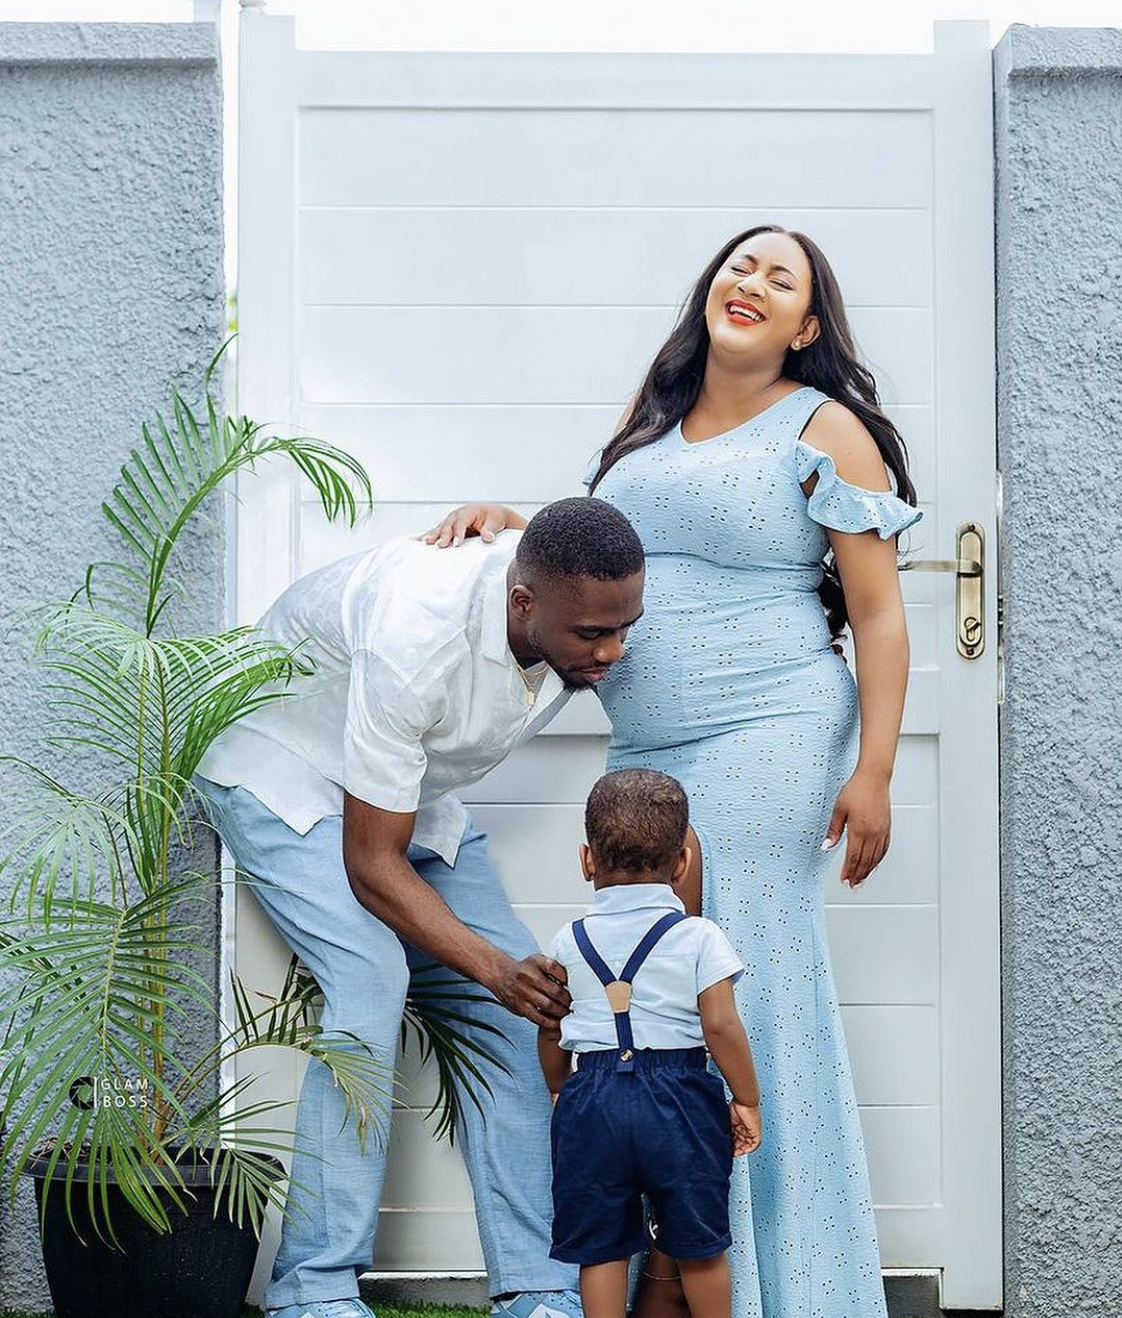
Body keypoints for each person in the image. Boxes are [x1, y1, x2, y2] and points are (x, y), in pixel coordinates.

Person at [426, 224, 923, 1318]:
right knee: (650, 999)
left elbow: (880, 614)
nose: (751, 282)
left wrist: (876, 769)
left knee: (738, 983)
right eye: (740, 264)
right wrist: (514, 525)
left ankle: (791, 1287)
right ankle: (677, 1279)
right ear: (711, 290)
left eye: (780, 278)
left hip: (771, 728)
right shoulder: (647, 425)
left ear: (807, 324)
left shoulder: (825, 427)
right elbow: (604, 549)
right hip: (649, 750)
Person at [195, 497, 646, 1318]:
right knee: (371, 976)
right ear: (523, 602)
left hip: (404, 789)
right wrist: (489, 966)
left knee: (519, 1005)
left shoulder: (562, 587)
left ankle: (537, 1287)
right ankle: (314, 1289)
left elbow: (544, 543)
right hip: (284, 768)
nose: (612, 651)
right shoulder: (417, 637)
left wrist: (505, 511)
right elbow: (372, 866)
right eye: (591, 635)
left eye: (623, 628)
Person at [539, 768, 761, 1318]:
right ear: (681, 863)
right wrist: (747, 1099)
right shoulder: (699, 937)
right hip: (680, 1098)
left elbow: (550, 1025)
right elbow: (721, 1025)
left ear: (587, 860)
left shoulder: (569, 940)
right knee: (699, 1245)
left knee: (601, 1248)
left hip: (591, 1098)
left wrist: (559, 1088)